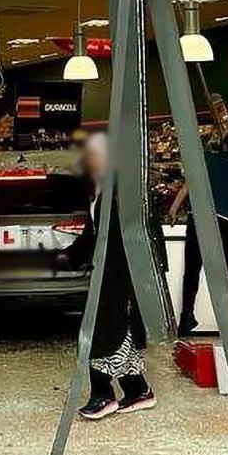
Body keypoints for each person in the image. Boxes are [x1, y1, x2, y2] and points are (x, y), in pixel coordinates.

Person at [65, 132, 156, 420]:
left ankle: (102, 394)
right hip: (111, 274)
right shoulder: (101, 193)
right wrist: (68, 257)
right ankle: (138, 390)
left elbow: (132, 236)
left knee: (104, 334)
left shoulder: (121, 193)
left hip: (122, 277)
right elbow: (94, 234)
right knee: (118, 334)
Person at [169, 132, 228, 336]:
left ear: (223, 145)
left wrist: (173, 209)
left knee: (192, 271)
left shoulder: (208, 159)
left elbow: (188, 184)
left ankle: (186, 318)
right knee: (223, 273)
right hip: (225, 222)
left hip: (199, 218)